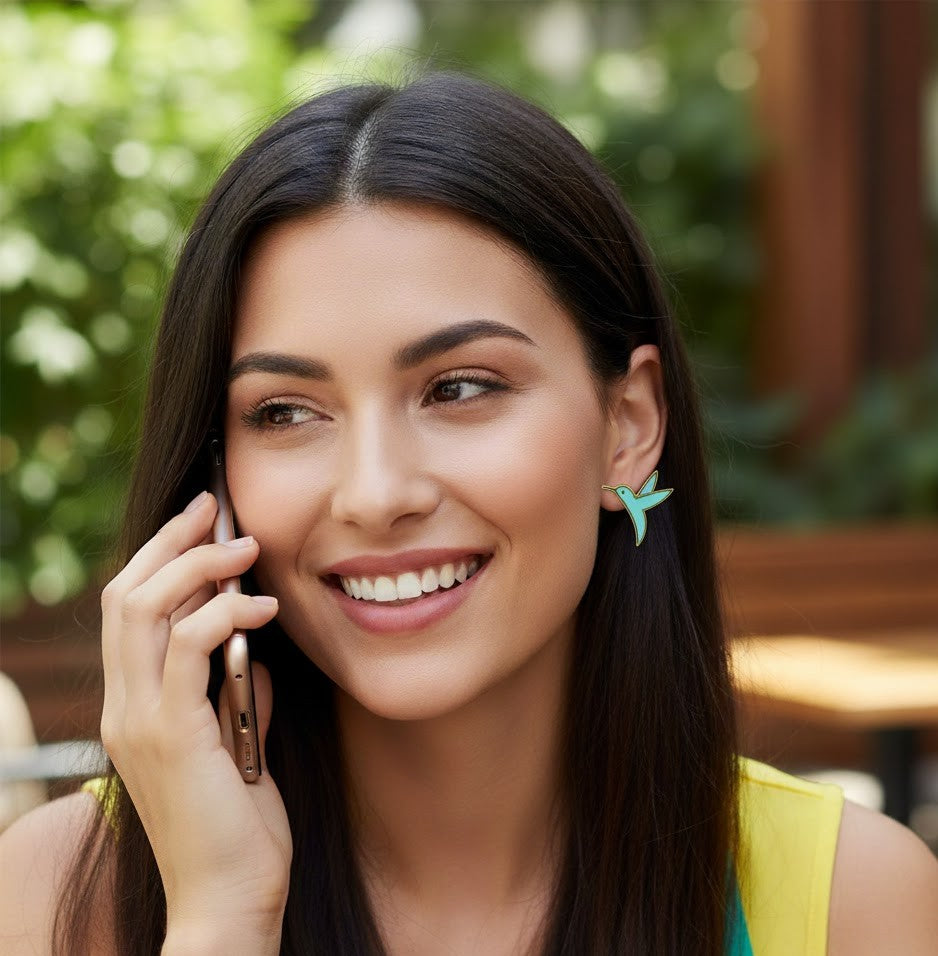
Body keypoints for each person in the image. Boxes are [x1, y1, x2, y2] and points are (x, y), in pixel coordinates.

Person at [1, 70, 936, 956]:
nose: (375, 494)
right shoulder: (55, 893)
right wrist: (221, 916)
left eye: (459, 388)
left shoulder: (853, 903)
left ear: (629, 425)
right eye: (285, 411)